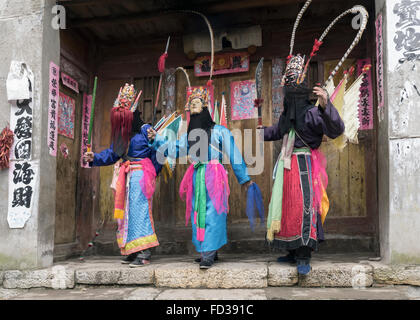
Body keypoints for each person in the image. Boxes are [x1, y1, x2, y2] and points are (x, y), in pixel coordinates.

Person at [147, 86, 253, 269]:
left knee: (213, 213)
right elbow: (173, 149)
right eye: (192, 106)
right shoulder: (190, 136)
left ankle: (208, 253)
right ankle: (208, 250)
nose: (194, 109)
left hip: (215, 174)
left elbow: (234, 155)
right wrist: (157, 139)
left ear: (205, 109)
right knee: (198, 212)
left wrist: (244, 178)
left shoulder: (220, 131)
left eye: (198, 105)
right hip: (197, 174)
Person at [83, 83, 162, 267]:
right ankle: (132, 250)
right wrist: (94, 157)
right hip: (125, 176)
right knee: (125, 215)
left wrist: (154, 140)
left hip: (140, 175)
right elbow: (113, 154)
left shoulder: (145, 130)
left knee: (139, 212)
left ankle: (144, 252)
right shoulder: (122, 135)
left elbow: (159, 152)